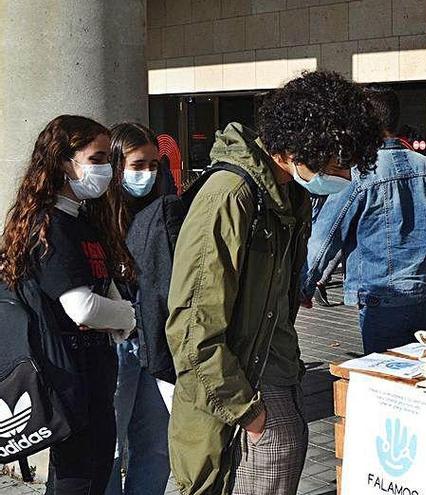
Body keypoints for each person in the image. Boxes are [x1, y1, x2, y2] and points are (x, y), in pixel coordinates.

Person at [164, 71, 381, 495]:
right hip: (238, 397)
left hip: (274, 375)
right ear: (302, 142)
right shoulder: (231, 195)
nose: (345, 175)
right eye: (337, 162)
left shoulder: (291, 194)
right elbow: (192, 329)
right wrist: (248, 413)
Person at [0, 115, 136, 494]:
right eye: (97, 159)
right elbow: (83, 307)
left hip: (94, 376)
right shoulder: (49, 224)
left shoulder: (82, 220)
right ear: (63, 161)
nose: (107, 169)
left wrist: (115, 313)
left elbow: (102, 284)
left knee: (92, 475)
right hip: (66, 380)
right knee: (77, 481)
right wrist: (128, 315)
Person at [301, 86, 426, 354]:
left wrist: (303, 285)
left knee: (388, 379)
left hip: (381, 296)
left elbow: (326, 237)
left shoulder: (360, 172)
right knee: (424, 376)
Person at [105, 122, 171, 495]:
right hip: (117, 344)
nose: (147, 174)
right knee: (112, 450)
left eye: (153, 165)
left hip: (154, 341)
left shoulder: (161, 209)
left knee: (155, 445)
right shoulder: (98, 216)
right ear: (117, 167)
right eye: (137, 165)